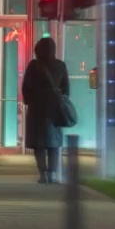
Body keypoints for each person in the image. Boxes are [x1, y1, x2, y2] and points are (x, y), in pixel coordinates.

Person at [21, 36, 69, 184]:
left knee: (39, 144)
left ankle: (43, 174)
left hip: (37, 109)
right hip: (54, 110)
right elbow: (66, 89)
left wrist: (29, 100)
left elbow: (26, 87)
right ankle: (53, 174)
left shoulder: (33, 66)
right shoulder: (60, 66)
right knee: (53, 144)